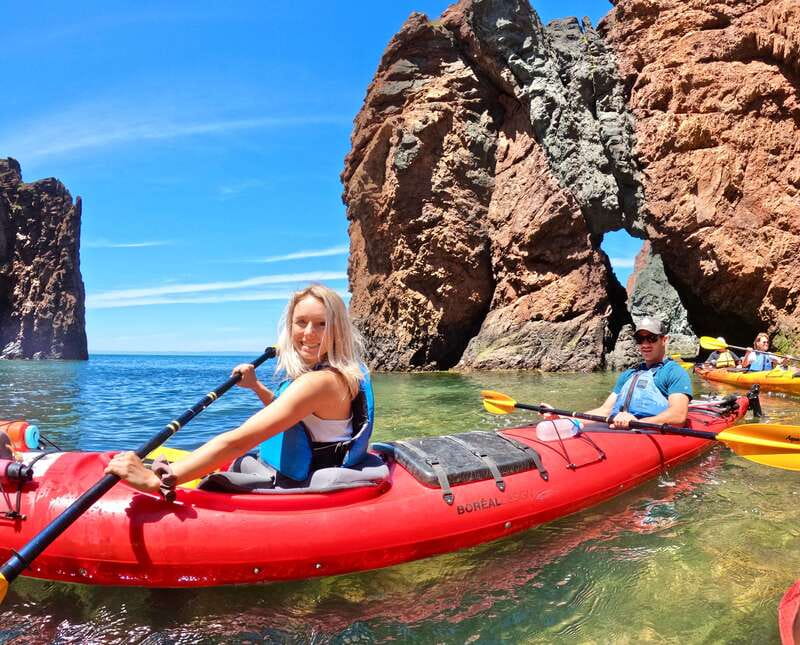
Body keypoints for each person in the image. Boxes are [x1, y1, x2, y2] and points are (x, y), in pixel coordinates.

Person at [105, 283, 374, 496]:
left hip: (301, 483)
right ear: (290, 325)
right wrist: (255, 386)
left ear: (338, 329)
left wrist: (157, 480)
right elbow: (300, 421)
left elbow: (239, 440)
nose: (309, 333)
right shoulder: (337, 373)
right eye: (301, 322)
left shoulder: (318, 382)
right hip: (302, 468)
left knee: (214, 481)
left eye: (322, 324)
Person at [544, 317, 692, 429]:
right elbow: (605, 410)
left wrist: (636, 423)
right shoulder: (629, 374)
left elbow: (678, 416)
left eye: (651, 338)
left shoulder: (674, 372)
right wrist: (564, 417)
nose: (645, 344)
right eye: (640, 339)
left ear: (664, 340)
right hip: (616, 428)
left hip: (648, 431)